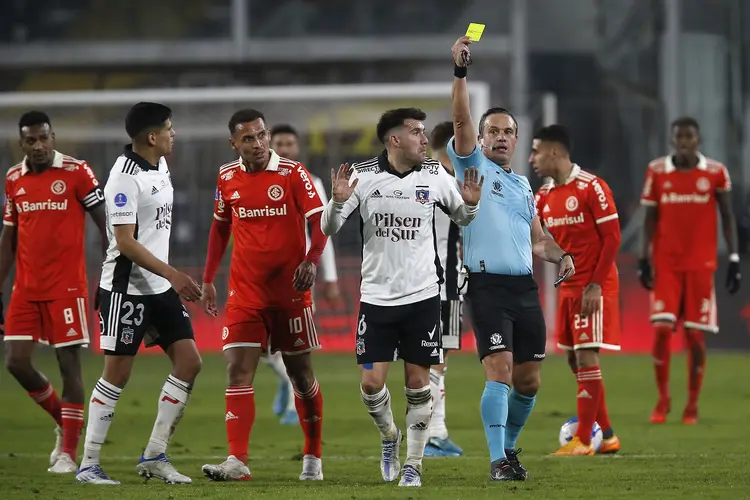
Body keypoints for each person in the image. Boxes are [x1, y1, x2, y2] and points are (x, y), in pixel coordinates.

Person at [322, 107, 483, 488]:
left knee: (417, 384)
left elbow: (462, 218)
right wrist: (336, 200)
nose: (424, 139)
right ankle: (389, 437)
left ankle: (413, 464)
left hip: (424, 295)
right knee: (371, 384)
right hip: (377, 299)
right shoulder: (363, 176)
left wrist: (471, 203)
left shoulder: (434, 175)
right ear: (394, 139)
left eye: (424, 132)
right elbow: (329, 227)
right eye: (416, 132)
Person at [448, 36, 576, 481]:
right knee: (499, 371)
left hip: (525, 288)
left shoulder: (524, 186)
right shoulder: (471, 168)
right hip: (486, 287)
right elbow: (461, 117)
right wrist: (461, 73)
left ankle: (507, 449)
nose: (501, 137)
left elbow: (539, 241)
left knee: (529, 381)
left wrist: (560, 256)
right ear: (480, 139)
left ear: (517, 140)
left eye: (508, 132)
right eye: (493, 131)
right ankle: (498, 461)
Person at [76, 102, 203, 485]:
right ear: (151, 137)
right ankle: (88, 464)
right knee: (117, 374)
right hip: (125, 289)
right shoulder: (122, 179)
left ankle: (154, 454)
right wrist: (173, 273)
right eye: (168, 128)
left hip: (160, 288)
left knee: (190, 362)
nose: (173, 133)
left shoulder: (159, 165)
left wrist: (168, 278)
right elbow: (125, 243)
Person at [200, 109, 327, 482]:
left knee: (301, 375)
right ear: (233, 143)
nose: (257, 144)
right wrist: (208, 279)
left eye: (261, 136)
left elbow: (318, 222)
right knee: (238, 370)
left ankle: (312, 457)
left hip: (291, 293)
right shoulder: (226, 177)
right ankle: (237, 460)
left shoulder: (292, 173)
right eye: (248, 139)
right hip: (245, 293)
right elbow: (220, 229)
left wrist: (312, 260)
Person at [0, 111, 107, 474]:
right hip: (26, 288)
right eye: (31, 140)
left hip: (68, 288)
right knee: (15, 361)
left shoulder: (77, 172)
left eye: (44, 138)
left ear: (53, 136)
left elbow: (105, 222)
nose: (40, 145)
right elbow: (8, 239)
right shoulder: (14, 178)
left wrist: (110, 274)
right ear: (22, 143)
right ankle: (65, 418)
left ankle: (68, 453)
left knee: (69, 366)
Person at [638, 116, 741, 425]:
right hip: (666, 265)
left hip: (700, 266)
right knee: (660, 330)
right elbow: (649, 219)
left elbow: (727, 215)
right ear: (672, 140)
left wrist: (734, 258)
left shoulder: (715, 172)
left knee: (695, 336)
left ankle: (692, 404)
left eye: (689, 137)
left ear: (698, 139)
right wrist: (644, 258)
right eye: (679, 137)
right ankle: (663, 399)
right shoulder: (657, 171)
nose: (684, 142)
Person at [530, 125, 622, 455]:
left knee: (586, 355)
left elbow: (612, 238)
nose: (532, 159)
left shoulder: (592, 187)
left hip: (593, 285)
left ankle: (583, 439)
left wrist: (595, 285)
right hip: (568, 288)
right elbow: (538, 240)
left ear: (554, 152)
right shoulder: (542, 196)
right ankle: (607, 435)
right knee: (574, 359)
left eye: (536, 151)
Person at [267, 123, 341, 425]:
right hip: (263, 274)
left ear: (297, 148)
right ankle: (288, 383)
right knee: (261, 348)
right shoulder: (254, 180)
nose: (284, 149)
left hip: (299, 275)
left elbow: (324, 230)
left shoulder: (311, 181)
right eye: (279, 144)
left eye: (289, 144)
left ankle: (295, 401)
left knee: (295, 344)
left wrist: (331, 278)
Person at [423, 121, 464, 457]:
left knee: (429, 361)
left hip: (417, 283)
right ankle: (434, 434)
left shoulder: (418, 177)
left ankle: (434, 432)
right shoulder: (451, 183)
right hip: (445, 285)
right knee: (436, 362)